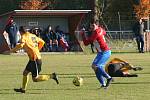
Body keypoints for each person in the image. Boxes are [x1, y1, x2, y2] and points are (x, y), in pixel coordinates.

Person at [5, 26, 59, 93]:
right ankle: (23, 89)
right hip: (33, 59)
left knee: (35, 79)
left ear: (20, 32)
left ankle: (52, 76)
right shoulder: (32, 35)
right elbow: (42, 42)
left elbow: (21, 45)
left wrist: (11, 51)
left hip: (35, 60)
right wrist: (37, 50)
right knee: (25, 73)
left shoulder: (24, 36)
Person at [80, 20, 112, 88]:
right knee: (94, 67)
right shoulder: (100, 29)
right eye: (91, 25)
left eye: (93, 25)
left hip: (105, 52)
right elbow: (104, 32)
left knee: (95, 66)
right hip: (101, 52)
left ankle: (109, 78)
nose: (92, 27)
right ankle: (103, 84)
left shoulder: (96, 33)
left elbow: (86, 43)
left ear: (97, 25)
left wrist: (83, 34)